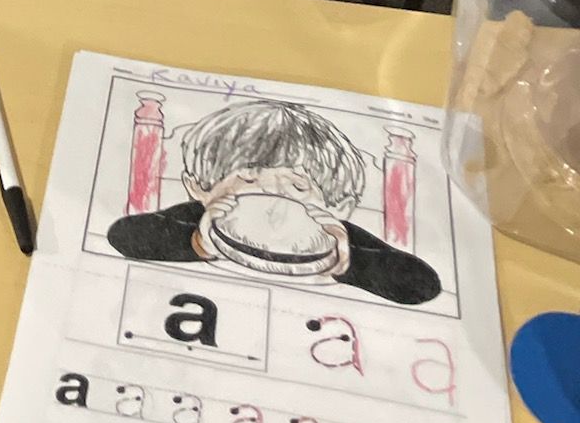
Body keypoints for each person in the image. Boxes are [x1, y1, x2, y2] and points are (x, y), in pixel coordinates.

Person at [106, 99, 441, 305]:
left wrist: (349, 262)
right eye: (248, 179)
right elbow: (124, 236)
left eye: (297, 186)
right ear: (198, 187)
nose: (273, 195)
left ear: (339, 206)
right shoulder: (202, 218)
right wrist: (196, 242)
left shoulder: (331, 233)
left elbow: (420, 285)